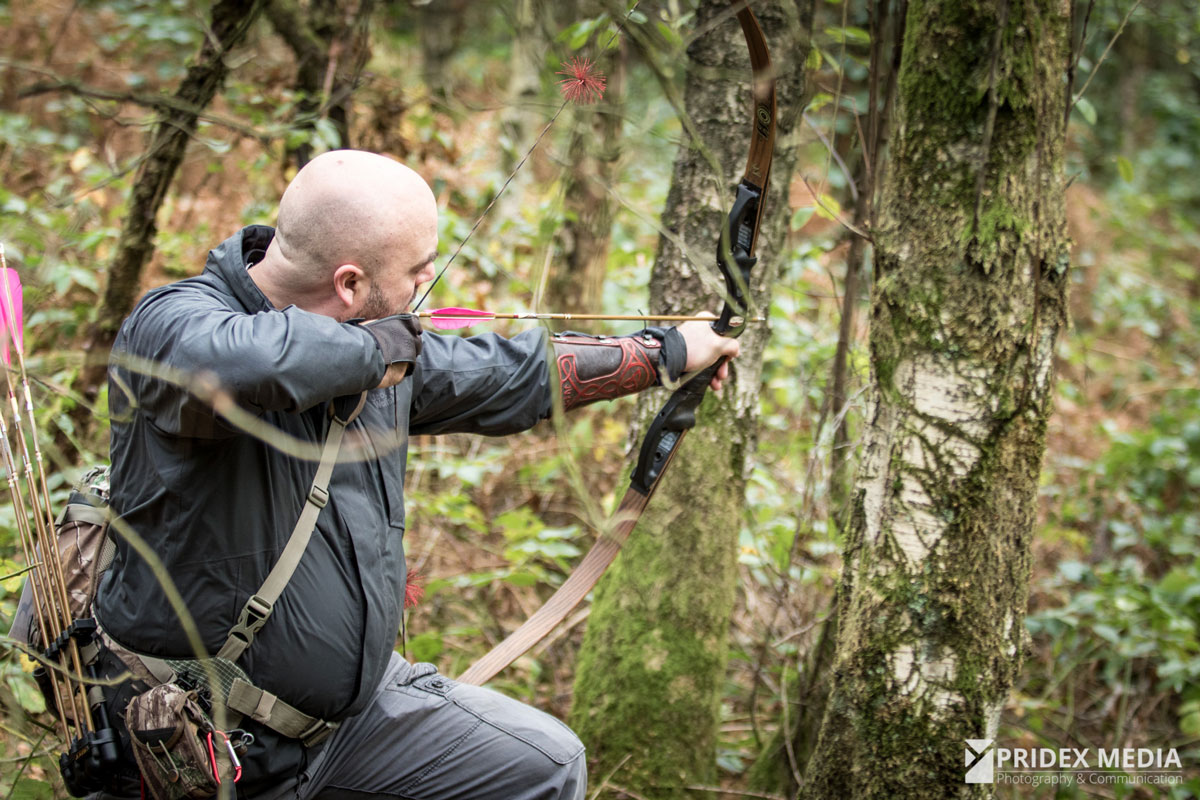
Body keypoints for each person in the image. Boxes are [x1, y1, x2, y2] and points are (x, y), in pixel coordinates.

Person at [92, 150, 740, 799]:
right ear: (348, 283)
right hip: (202, 745)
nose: (430, 279)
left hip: (350, 723)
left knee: (543, 763)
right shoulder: (172, 326)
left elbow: (504, 372)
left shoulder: (373, 347)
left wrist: (665, 353)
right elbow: (240, 366)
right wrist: (376, 351)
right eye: (417, 268)